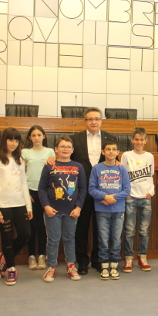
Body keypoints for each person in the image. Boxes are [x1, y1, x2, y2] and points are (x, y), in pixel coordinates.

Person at [47, 107, 117, 275]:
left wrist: (119, 161)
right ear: (85, 121)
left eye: (97, 119)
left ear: (101, 120)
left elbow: (114, 157)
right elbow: (66, 157)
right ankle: (82, 261)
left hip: (103, 190)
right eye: (90, 119)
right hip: (81, 191)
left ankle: (98, 260)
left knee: (100, 228)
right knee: (82, 228)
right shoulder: (75, 139)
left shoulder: (110, 138)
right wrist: (52, 157)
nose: (94, 122)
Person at [0, 127, 33, 286]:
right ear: (4, 140)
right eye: (10, 139)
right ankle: (11, 268)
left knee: (26, 234)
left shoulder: (20, 160)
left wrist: (28, 206)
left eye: (16, 140)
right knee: (7, 237)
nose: (13, 143)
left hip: (19, 204)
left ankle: (4, 257)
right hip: (2, 206)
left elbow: (24, 184)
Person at [38, 136, 87, 282]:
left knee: (69, 239)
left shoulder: (78, 167)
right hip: (53, 211)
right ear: (56, 149)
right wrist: (46, 206)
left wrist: (78, 207)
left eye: (68, 147)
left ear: (72, 150)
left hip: (71, 212)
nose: (65, 149)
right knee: (53, 240)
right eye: (62, 146)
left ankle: (71, 266)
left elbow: (83, 189)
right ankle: (51, 267)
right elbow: (41, 188)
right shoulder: (49, 166)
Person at [89, 140, 131, 280]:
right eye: (108, 149)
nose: (111, 152)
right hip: (101, 210)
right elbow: (92, 189)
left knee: (116, 238)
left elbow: (126, 190)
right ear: (103, 152)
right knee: (103, 239)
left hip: (118, 209)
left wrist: (113, 198)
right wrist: (105, 196)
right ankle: (104, 265)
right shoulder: (96, 168)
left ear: (118, 152)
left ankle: (114, 264)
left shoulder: (122, 169)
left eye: (114, 149)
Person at [121, 127, 155, 272]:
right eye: (137, 139)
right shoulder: (126, 155)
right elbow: (122, 175)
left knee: (144, 230)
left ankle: (142, 257)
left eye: (142, 140)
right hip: (131, 197)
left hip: (145, 197)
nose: (139, 142)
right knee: (129, 230)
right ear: (132, 140)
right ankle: (129, 258)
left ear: (146, 141)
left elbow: (151, 176)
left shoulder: (150, 156)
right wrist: (126, 193)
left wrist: (151, 192)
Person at [22, 125, 55, 270]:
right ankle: (31, 256)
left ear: (44, 136)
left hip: (45, 193)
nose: (36, 138)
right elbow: (20, 174)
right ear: (29, 137)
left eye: (39, 135)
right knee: (31, 226)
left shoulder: (50, 151)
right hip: (30, 192)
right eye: (33, 135)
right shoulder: (24, 152)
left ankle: (42, 255)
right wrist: (25, 193)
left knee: (43, 225)